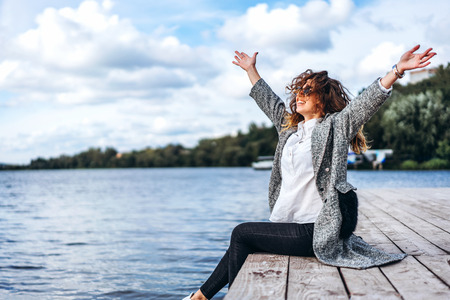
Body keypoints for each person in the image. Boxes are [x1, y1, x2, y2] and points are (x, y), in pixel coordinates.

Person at [183, 45, 436, 300]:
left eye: (307, 91)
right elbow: (268, 99)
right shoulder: (290, 130)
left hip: (315, 230)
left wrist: (397, 70)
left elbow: (365, 103)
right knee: (243, 240)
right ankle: (203, 296)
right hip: (287, 224)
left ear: (322, 99)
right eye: (297, 91)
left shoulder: (335, 127)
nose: (298, 95)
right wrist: (251, 69)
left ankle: (213, 297)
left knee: (241, 234)